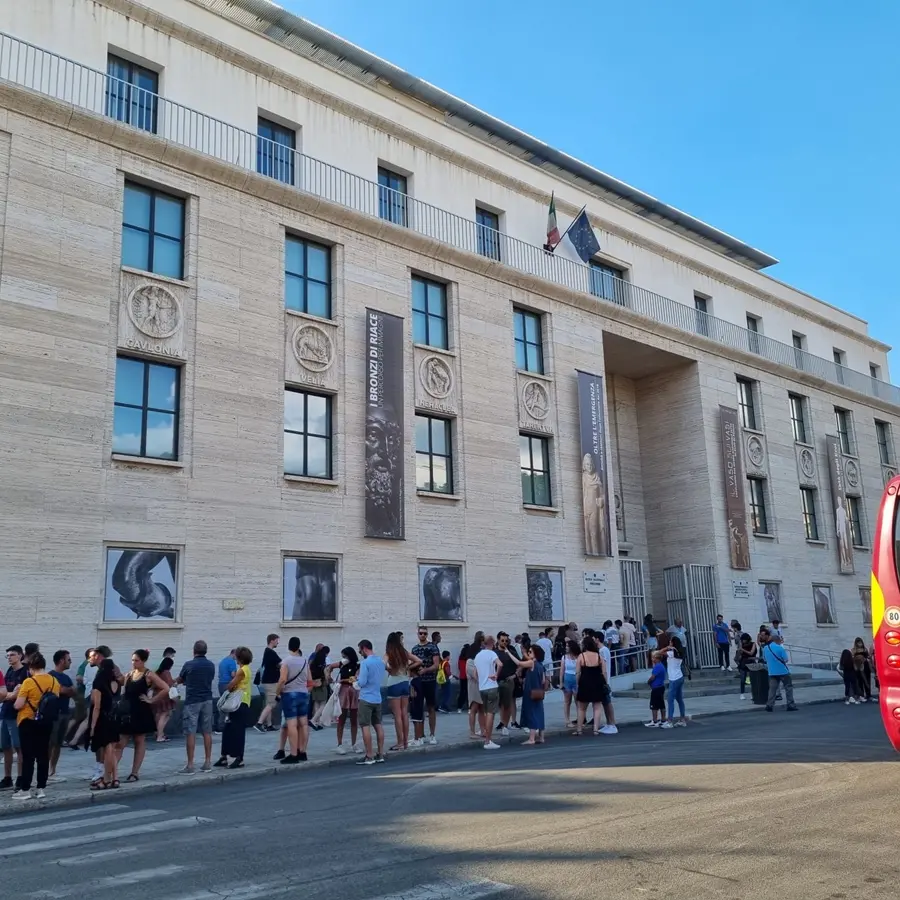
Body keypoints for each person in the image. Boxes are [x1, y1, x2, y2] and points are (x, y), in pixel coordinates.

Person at [12, 652, 59, 800]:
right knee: (43, 755)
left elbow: (18, 705)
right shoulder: (54, 681)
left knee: (28, 757)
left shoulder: (29, 682)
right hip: (46, 722)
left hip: (28, 721)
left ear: (31, 667)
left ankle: (25, 790)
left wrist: (17, 694)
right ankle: (41, 789)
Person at [118, 649, 169, 782]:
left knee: (139, 740)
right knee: (121, 741)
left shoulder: (148, 674)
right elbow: (119, 683)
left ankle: (135, 772)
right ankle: (112, 771)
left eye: (137, 660)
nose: (134, 663)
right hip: (128, 711)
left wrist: (152, 700)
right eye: (133, 660)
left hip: (141, 711)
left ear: (143, 661)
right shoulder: (129, 674)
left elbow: (165, 688)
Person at [176, 640, 216, 773]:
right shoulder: (210, 665)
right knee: (207, 731)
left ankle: (190, 764)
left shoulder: (189, 664)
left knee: (190, 732)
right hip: (207, 700)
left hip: (192, 700)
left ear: (194, 651)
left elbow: (181, 679)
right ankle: (208, 762)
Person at [216, 646, 253, 769]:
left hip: (239, 703)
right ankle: (225, 756)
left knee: (236, 730)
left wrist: (228, 687)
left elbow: (231, 685)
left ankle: (238, 758)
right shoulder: (246, 669)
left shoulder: (241, 671)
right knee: (229, 728)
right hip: (242, 702)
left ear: (239, 658)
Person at [384, 632, 420, 751]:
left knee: (397, 715)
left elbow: (383, 664)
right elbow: (418, 661)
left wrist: (389, 669)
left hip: (394, 683)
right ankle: (405, 742)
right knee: (405, 713)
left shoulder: (389, 653)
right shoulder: (404, 652)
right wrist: (408, 668)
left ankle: (399, 742)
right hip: (405, 682)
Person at [276, 637, 309, 764]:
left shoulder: (286, 661)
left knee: (292, 724)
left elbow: (283, 679)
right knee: (304, 723)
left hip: (290, 694)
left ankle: (293, 754)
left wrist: (278, 692)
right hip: (303, 693)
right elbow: (309, 679)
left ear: (289, 647)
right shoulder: (305, 661)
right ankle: (303, 752)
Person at [1, 645, 29, 794]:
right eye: (8, 655)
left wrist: (11, 695)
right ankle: (7, 778)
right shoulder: (9, 671)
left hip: (17, 714)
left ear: (20, 655)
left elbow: (22, 694)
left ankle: (20, 777)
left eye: (12, 655)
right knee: (5, 746)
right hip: (5, 712)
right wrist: (10, 694)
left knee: (19, 747)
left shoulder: (25, 672)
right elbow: (6, 692)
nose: (9, 658)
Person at [89, 658, 121, 789]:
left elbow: (96, 706)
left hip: (103, 718)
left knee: (107, 750)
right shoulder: (116, 682)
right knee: (112, 750)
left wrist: (92, 726)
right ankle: (115, 778)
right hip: (115, 717)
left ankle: (105, 780)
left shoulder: (99, 682)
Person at [355, 639, 386, 765]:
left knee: (365, 726)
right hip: (377, 697)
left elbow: (362, 682)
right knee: (378, 725)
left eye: (360, 649)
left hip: (366, 698)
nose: (359, 652)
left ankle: (369, 755)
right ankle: (380, 754)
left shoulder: (365, 663)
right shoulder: (380, 661)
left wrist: (355, 682)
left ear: (364, 648)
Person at [410, 627, 441, 746]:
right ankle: (420, 735)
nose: (422, 635)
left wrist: (426, 670)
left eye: (425, 633)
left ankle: (432, 734)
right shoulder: (415, 649)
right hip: (418, 681)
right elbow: (412, 663)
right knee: (418, 708)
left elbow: (436, 664)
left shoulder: (432, 647)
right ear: (417, 634)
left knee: (431, 707)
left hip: (430, 681)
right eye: (420, 633)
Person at [48, 650, 74, 783]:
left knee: (58, 743)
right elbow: (59, 690)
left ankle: (53, 771)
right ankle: (44, 770)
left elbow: (71, 691)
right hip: (53, 714)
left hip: (65, 713)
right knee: (50, 743)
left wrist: (65, 690)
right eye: (68, 659)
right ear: (61, 660)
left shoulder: (66, 677)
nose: (70, 662)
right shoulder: (50, 676)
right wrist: (65, 690)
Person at [574, 636, 606, 736]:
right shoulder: (598, 656)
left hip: (585, 682)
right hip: (597, 682)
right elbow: (604, 671)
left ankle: (579, 730)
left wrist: (578, 683)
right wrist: (605, 683)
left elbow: (578, 672)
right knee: (597, 707)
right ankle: (595, 729)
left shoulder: (581, 656)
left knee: (581, 708)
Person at [474, 636, 501, 749]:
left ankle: (486, 736)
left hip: (482, 688)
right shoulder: (492, 654)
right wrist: (496, 675)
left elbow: (475, 674)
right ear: (492, 643)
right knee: (491, 714)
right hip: (492, 686)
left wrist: (481, 680)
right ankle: (488, 740)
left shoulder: (478, 656)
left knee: (485, 713)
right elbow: (500, 664)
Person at [517, 645, 548, 745]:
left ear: (535, 654)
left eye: (531, 651)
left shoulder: (532, 663)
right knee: (539, 713)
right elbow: (543, 680)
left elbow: (519, 663)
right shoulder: (540, 665)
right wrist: (524, 653)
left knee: (532, 714)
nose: (529, 653)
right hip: (539, 692)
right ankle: (541, 737)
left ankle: (531, 738)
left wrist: (508, 653)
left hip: (530, 692)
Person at [335, 646, 360, 754]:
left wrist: (342, 680)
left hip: (353, 691)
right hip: (343, 691)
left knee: (354, 719)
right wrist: (328, 675)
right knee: (341, 718)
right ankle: (339, 744)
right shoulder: (341, 665)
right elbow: (329, 667)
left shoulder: (357, 665)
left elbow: (355, 678)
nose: (343, 658)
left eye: (344, 656)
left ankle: (354, 743)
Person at [762, 635, 797, 712]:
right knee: (788, 687)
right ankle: (790, 704)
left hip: (772, 672)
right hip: (783, 671)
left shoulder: (765, 648)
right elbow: (786, 659)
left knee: (772, 689)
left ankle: (769, 705)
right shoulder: (780, 648)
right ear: (777, 640)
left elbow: (764, 659)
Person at [254, 634, 281, 733]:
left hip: (267, 681)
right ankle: (259, 723)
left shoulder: (267, 652)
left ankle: (269, 725)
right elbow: (281, 664)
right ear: (272, 641)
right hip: (271, 682)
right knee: (272, 703)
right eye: (277, 640)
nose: (278, 642)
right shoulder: (271, 652)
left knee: (269, 703)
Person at [495, 632, 521, 736]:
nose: (504, 642)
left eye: (506, 641)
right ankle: (502, 722)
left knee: (509, 703)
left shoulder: (511, 652)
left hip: (509, 681)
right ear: (498, 640)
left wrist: (515, 675)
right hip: (498, 681)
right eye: (502, 640)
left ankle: (507, 724)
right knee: (501, 704)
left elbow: (520, 664)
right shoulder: (495, 653)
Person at [664, 637, 689, 727]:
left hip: (674, 678)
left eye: (670, 642)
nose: (669, 642)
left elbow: (658, 653)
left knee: (670, 699)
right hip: (680, 677)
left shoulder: (671, 653)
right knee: (679, 699)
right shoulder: (680, 652)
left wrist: (667, 648)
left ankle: (670, 721)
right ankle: (682, 719)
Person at [466, 633, 485, 740]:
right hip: (474, 686)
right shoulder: (470, 661)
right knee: (473, 708)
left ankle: (483, 730)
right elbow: (475, 675)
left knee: (482, 709)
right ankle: (472, 731)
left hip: (481, 686)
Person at [153, 656, 176, 742]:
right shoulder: (166, 673)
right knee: (165, 715)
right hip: (165, 697)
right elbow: (169, 684)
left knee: (158, 715)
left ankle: (158, 733)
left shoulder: (157, 673)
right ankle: (160, 735)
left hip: (156, 696)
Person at [307, 645, 330, 728]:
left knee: (316, 702)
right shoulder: (323, 664)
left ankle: (317, 722)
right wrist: (328, 681)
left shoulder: (314, 662)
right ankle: (313, 720)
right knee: (323, 703)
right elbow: (326, 675)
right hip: (321, 684)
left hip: (314, 683)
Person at [216, 649, 237, 733]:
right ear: (234, 654)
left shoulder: (223, 661)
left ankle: (221, 726)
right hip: (228, 685)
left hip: (221, 685)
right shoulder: (232, 662)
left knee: (223, 705)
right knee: (229, 706)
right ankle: (222, 727)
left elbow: (219, 675)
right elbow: (233, 675)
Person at [645, 652, 667, 728]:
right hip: (660, 687)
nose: (652, 659)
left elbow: (653, 677)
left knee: (654, 705)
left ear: (657, 658)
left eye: (653, 657)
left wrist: (648, 682)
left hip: (656, 688)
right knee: (661, 704)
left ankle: (654, 721)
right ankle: (663, 720)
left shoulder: (657, 667)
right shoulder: (661, 666)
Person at [561, 639, 579, 726]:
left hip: (576, 679)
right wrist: (561, 682)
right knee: (567, 701)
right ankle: (567, 720)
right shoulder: (564, 657)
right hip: (567, 679)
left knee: (577, 701)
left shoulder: (578, 657)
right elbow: (562, 671)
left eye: (568, 646)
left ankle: (580, 718)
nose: (566, 647)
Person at [734, 633, 758, 700]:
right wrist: (739, 651)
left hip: (751, 661)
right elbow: (737, 657)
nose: (743, 641)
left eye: (744, 640)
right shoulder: (742, 645)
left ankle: (753, 694)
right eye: (742, 640)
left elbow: (751, 653)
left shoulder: (753, 644)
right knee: (742, 679)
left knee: (753, 679)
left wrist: (743, 649)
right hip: (743, 662)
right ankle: (742, 694)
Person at [456, 644, 470, 713]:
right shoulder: (469, 659)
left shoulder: (460, 659)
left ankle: (459, 707)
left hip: (462, 677)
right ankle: (469, 708)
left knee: (462, 692)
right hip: (468, 677)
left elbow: (459, 667)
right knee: (469, 693)